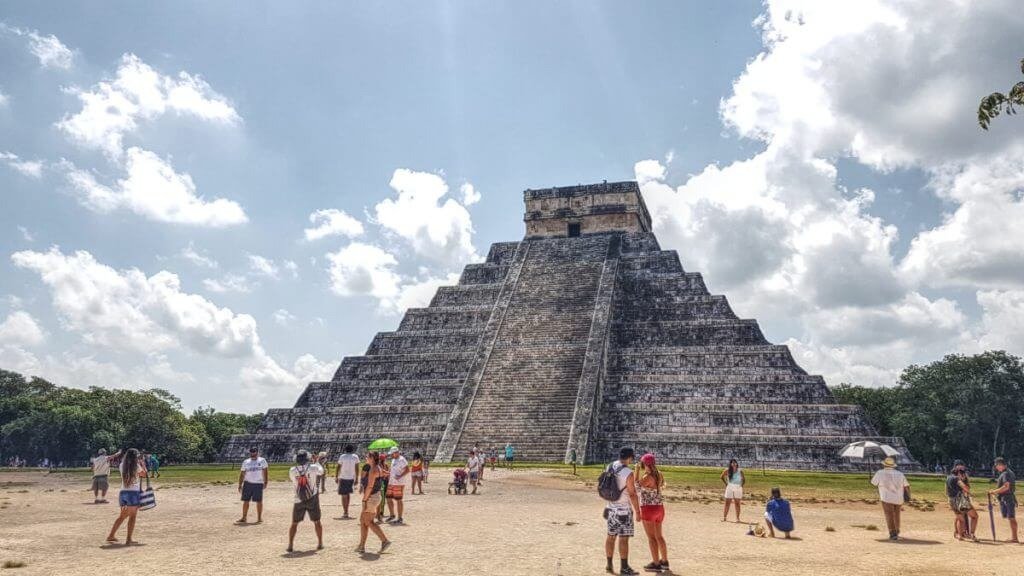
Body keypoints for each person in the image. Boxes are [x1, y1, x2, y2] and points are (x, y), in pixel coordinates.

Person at [604, 447, 641, 576]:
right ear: (630, 458)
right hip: (624, 510)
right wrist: (638, 511)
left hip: (610, 508)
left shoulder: (610, 466)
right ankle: (624, 567)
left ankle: (609, 565)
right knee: (623, 539)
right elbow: (632, 494)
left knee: (610, 537)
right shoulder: (628, 473)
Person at [106, 448, 147, 544]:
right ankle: (129, 539)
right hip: (133, 493)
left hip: (123, 492)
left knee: (122, 516)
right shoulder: (136, 466)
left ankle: (111, 535)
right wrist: (142, 463)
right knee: (132, 516)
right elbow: (144, 474)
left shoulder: (121, 465)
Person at [635, 453, 668, 572]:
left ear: (645, 464)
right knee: (659, 536)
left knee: (651, 538)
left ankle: (656, 563)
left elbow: (636, 487)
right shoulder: (659, 474)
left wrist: (636, 471)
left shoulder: (647, 477)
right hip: (659, 508)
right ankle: (664, 561)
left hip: (648, 508)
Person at [287, 449, 324, 553]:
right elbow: (321, 471)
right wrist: (316, 461)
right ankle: (320, 543)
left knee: (294, 523)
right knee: (317, 521)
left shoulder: (292, 470)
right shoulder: (313, 467)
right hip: (312, 497)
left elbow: (294, 481)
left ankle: (290, 544)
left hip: (298, 498)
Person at [357, 451, 391, 554]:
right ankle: (361, 545)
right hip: (376, 496)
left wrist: (365, 499)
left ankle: (384, 540)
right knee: (363, 521)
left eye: (367, 456)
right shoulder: (378, 468)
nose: (366, 458)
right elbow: (386, 473)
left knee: (368, 522)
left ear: (372, 458)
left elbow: (370, 486)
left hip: (371, 497)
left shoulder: (373, 469)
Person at [871, 457, 909, 541]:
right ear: (893, 466)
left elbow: (873, 483)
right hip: (899, 498)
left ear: (884, 465)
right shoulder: (900, 473)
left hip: (886, 497)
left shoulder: (880, 473)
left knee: (889, 515)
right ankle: (897, 530)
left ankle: (892, 533)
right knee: (897, 514)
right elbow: (906, 485)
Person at [988, 457, 1019, 543]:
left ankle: (1015, 538)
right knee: (1010, 517)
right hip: (1007, 497)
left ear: (1000, 465)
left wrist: (994, 491)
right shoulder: (1008, 472)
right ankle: (1014, 537)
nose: (996, 467)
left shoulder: (1006, 474)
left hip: (1007, 498)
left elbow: (1006, 486)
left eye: (996, 465)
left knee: (1011, 517)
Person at [946, 460, 977, 540]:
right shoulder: (956, 478)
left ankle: (960, 534)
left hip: (952, 500)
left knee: (960, 518)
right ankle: (970, 534)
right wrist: (969, 492)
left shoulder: (949, 477)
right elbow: (965, 487)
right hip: (960, 500)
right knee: (974, 516)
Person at [237, 446, 268, 524]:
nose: (252, 453)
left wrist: (266, 481)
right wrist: (240, 484)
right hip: (248, 483)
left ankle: (259, 518)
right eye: (251, 451)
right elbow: (242, 473)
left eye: (254, 451)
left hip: (258, 483)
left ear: (257, 452)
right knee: (245, 501)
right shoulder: (246, 462)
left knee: (259, 501)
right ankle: (244, 517)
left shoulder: (262, 460)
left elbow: (265, 471)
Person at [335, 444, 361, 519]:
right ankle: (346, 510)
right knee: (348, 494)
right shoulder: (355, 457)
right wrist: (357, 479)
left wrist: (336, 476)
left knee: (344, 495)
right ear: (352, 450)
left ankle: (345, 512)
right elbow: (357, 468)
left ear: (345, 450)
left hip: (343, 477)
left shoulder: (342, 456)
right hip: (351, 478)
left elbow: (338, 467)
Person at [385, 447, 409, 524]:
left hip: (399, 482)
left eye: (392, 454)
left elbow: (407, 469)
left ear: (396, 453)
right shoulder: (393, 460)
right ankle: (392, 514)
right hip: (391, 482)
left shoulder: (402, 459)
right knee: (388, 498)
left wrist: (400, 476)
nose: (391, 455)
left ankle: (400, 517)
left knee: (398, 500)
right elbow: (393, 470)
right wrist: (388, 473)